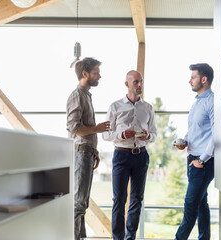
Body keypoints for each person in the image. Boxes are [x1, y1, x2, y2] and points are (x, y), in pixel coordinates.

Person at [102, 70, 157, 240]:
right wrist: (120, 135)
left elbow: (154, 134)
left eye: (141, 82)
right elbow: (105, 134)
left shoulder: (148, 108)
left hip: (141, 156)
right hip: (121, 156)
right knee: (119, 199)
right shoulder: (115, 106)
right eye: (136, 82)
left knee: (137, 199)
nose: (140, 85)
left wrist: (148, 136)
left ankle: (130, 237)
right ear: (127, 84)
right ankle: (118, 238)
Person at [66, 57, 111, 240]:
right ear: (85, 74)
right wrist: (97, 129)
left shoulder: (86, 95)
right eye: (96, 72)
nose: (99, 75)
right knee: (78, 202)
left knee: (82, 202)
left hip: (87, 152)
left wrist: (95, 151)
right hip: (81, 152)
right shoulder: (77, 95)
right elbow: (74, 129)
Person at [173, 63, 215, 240]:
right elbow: (195, 131)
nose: (189, 80)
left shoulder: (212, 102)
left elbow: (217, 134)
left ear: (204, 79)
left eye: (193, 77)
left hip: (203, 163)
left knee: (190, 203)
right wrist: (184, 142)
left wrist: (202, 160)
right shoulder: (197, 103)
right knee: (200, 204)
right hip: (192, 159)